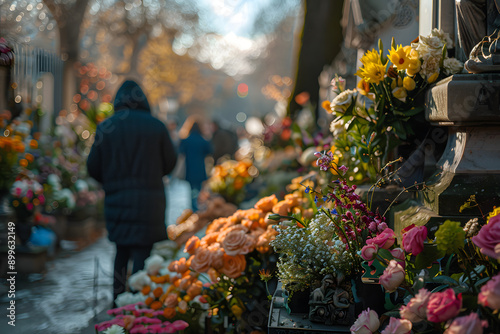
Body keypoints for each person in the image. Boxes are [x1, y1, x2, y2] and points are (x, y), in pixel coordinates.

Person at [87, 80, 177, 303]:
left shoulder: (107, 128)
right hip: (150, 203)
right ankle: (138, 305)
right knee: (142, 251)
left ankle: (118, 301)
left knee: (121, 251)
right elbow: (171, 163)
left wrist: (112, 181)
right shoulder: (156, 127)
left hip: (117, 202)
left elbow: (92, 167)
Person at [178, 116, 213, 211]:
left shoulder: (186, 140)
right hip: (200, 167)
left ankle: (193, 207)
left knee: (191, 189)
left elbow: (180, 152)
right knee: (198, 188)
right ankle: (198, 206)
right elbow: (209, 151)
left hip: (189, 168)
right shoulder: (203, 140)